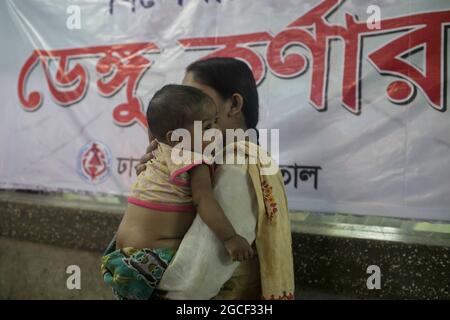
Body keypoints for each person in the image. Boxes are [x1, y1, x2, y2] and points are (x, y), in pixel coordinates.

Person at [133, 57, 295, 300]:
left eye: (197, 96)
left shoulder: (236, 168)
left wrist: (131, 279)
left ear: (234, 104)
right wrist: (158, 182)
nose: (185, 107)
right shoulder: (212, 158)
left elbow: (192, 283)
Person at [101, 84, 254, 300]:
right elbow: (204, 201)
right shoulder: (194, 161)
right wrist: (230, 238)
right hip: (153, 256)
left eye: (215, 123)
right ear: (176, 138)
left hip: (120, 254)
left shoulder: (156, 150)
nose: (216, 132)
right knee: (200, 257)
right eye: (208, 127)